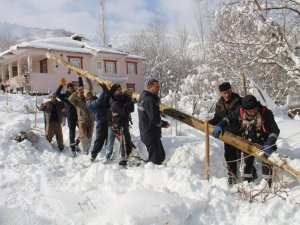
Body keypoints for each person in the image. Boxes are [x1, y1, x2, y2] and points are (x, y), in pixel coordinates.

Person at [213, 95, 280, 187]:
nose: (252, 113)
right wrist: (220, 125)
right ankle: (246, 184)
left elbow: (275, 130)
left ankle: (267, 185)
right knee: (246, 161)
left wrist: (269, 143)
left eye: (254, 110)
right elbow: (228, 118)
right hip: (249, 140)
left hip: (265, 141)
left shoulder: (266, 113)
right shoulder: (239, 111)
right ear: (244, 110)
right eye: (249, 111)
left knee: (266, 159)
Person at [209, 82, 244, 184]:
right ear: (221, 93)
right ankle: (232, 176)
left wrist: (221, 124)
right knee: (229, 156)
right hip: (227, 134)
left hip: (239, 133)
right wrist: (209, 123)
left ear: (231, 90)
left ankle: (250, 175)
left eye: (228, 92)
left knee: (241, 156)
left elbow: (235, 116)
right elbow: (217, 118)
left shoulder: (239, 101)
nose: (227, 95)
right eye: (224, 93)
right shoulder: (219, 105)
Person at [138, 79, 170, 165]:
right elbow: (154, 119)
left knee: (161, 156)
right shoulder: (149, 100)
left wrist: (157, 111)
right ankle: (152, 175)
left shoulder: (143, 97)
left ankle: (151, 167)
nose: (159, 88)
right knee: (156, 161)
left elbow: (148, 112)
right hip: (150, 133)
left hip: (150, 133)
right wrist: (164, 124)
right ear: (150, 87)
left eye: (159, 86)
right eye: (156, 86)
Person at [55, 76, 83, 157]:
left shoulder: (76, 94)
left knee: (83, 132)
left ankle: (77, 143)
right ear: (67, 88)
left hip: (79, 116)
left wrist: (79, 77)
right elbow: (57, 94)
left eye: (72, 87)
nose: (71, 89)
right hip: (70, 117)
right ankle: (73, 149)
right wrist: (61, 85)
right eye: (69, 88)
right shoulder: (64, 96)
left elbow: (81, 87)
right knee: (72, 133)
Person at [109, 84, 135, 166]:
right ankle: (123, 161)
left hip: (124, 124)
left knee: (128, 142)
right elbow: (125, 112)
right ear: (114, 92)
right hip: (118, 126)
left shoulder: (122, 99)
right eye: (118, 90)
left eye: (120, 89)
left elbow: (132, 109)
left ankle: (126, 158)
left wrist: (129, 99)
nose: (120, 91)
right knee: (124, 142)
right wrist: (128, 103)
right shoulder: (114, 102)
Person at [68, 79, 94, 155]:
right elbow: (70, 99)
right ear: (77, 94)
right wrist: (76, 91)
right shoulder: (76, 101)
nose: (81, 94)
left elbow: (90, 88)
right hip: (82, 121)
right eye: (80, 93)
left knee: (89, 136)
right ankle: (85, 149)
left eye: (82, 93)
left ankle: (87, 148)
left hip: (90, 120)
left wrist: (88, 79)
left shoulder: (87, 99)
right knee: (83, 136)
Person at [86, 83, 110, 162]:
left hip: (107, 121)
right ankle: (93, 155)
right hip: (100, 123)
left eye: (90, 94)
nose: (90, 95)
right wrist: (103, 90)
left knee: (108, 138)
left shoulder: (95, 99)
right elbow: (99, 101)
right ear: (86, 97)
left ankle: (108, 154)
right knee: (100, 140)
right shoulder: (89, 103)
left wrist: (107, 91)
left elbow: (104, 100)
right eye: (88, 95)